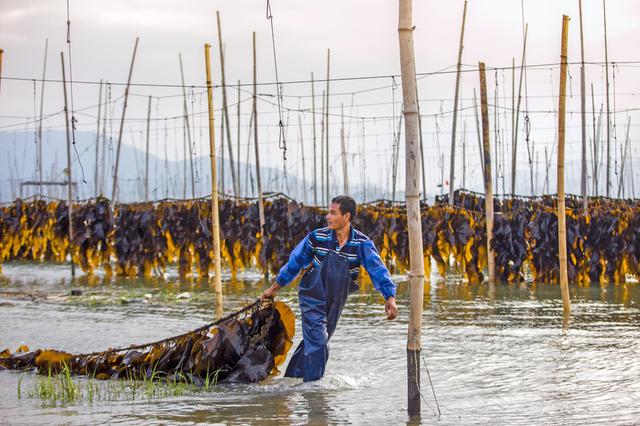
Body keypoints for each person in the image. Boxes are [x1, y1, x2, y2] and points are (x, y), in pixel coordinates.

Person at [261, 195, 398, 382]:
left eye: (333, 213)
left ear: (347, 216)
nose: (327, 216)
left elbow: (377, 270)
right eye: (328, 212)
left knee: (315, 341)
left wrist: (390, 297)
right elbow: (295, 262)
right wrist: (274, 288)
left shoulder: (361, 244)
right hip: (312, 295)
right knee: (318, 341)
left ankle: (291, 381)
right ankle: (313, 390)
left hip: (336, 299)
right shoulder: (317, 238)